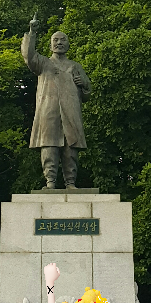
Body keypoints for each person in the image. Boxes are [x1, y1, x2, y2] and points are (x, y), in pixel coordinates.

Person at [21, 16, 91, 189]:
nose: (59, 43)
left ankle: (71, 182)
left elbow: (87, 94)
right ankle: (50, 181)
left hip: (71, 112)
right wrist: (32, 32)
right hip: (49, 111)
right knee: (49, 146)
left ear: (68, 44)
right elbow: (29, 57)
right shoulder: (43, 63)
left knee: (71, 149)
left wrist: (84, 85)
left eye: (63, 40)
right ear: (51, 44)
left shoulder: (75, 66)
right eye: (55, 40)